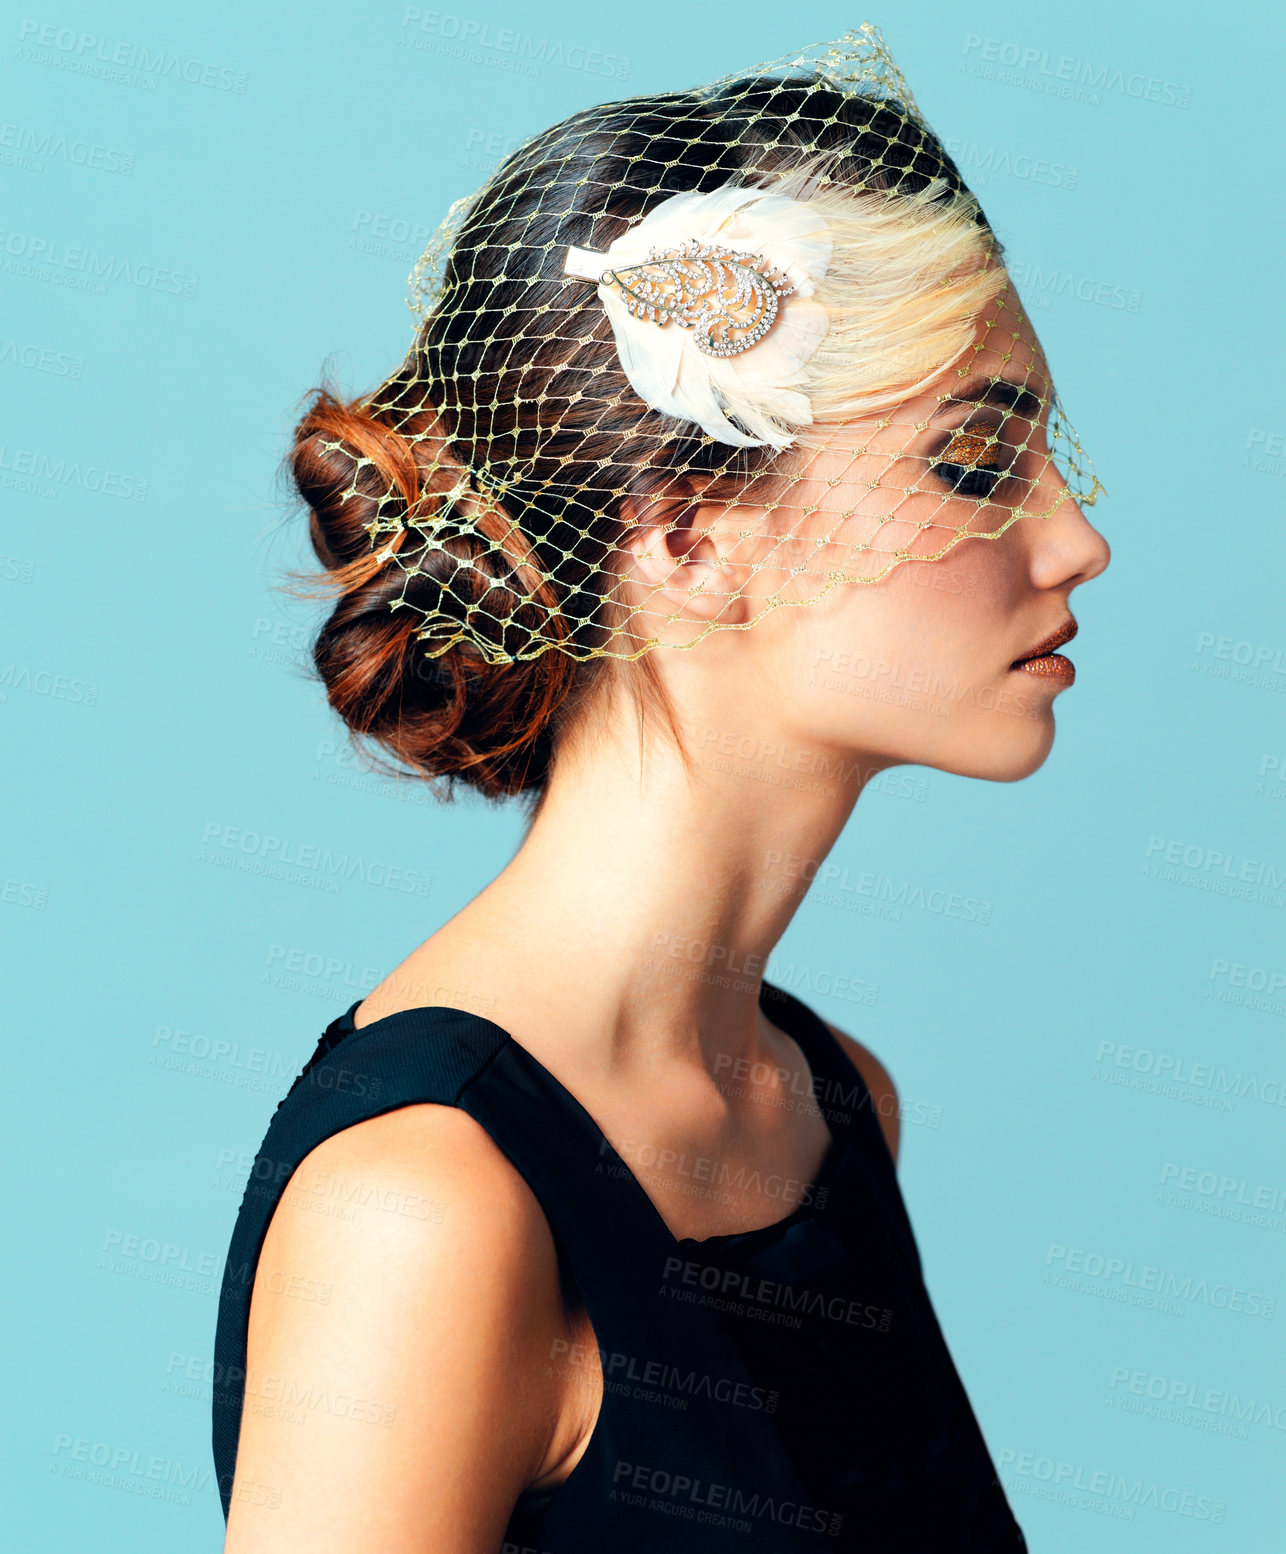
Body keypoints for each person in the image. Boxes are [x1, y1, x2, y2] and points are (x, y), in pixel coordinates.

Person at [213, 26, 1109, 1552]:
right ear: (686, 541)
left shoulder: (832, 1107)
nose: (1075, 540)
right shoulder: (424, 1201)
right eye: (971, 464)